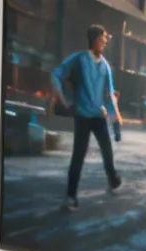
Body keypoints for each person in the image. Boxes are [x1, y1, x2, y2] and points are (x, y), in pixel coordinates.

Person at [52, 24, 123, 211]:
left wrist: (115, 120)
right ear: (93, 40)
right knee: (78, 156)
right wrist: (64, 100)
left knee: (107, 151)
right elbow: (56, 75)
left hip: (99, 116)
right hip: (82, 116)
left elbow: (110, 94)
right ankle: (71, 197)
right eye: (101, 39)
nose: (104, 42)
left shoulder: (105, 66)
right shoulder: (79, 59)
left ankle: (113, 179)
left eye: (105, 39)